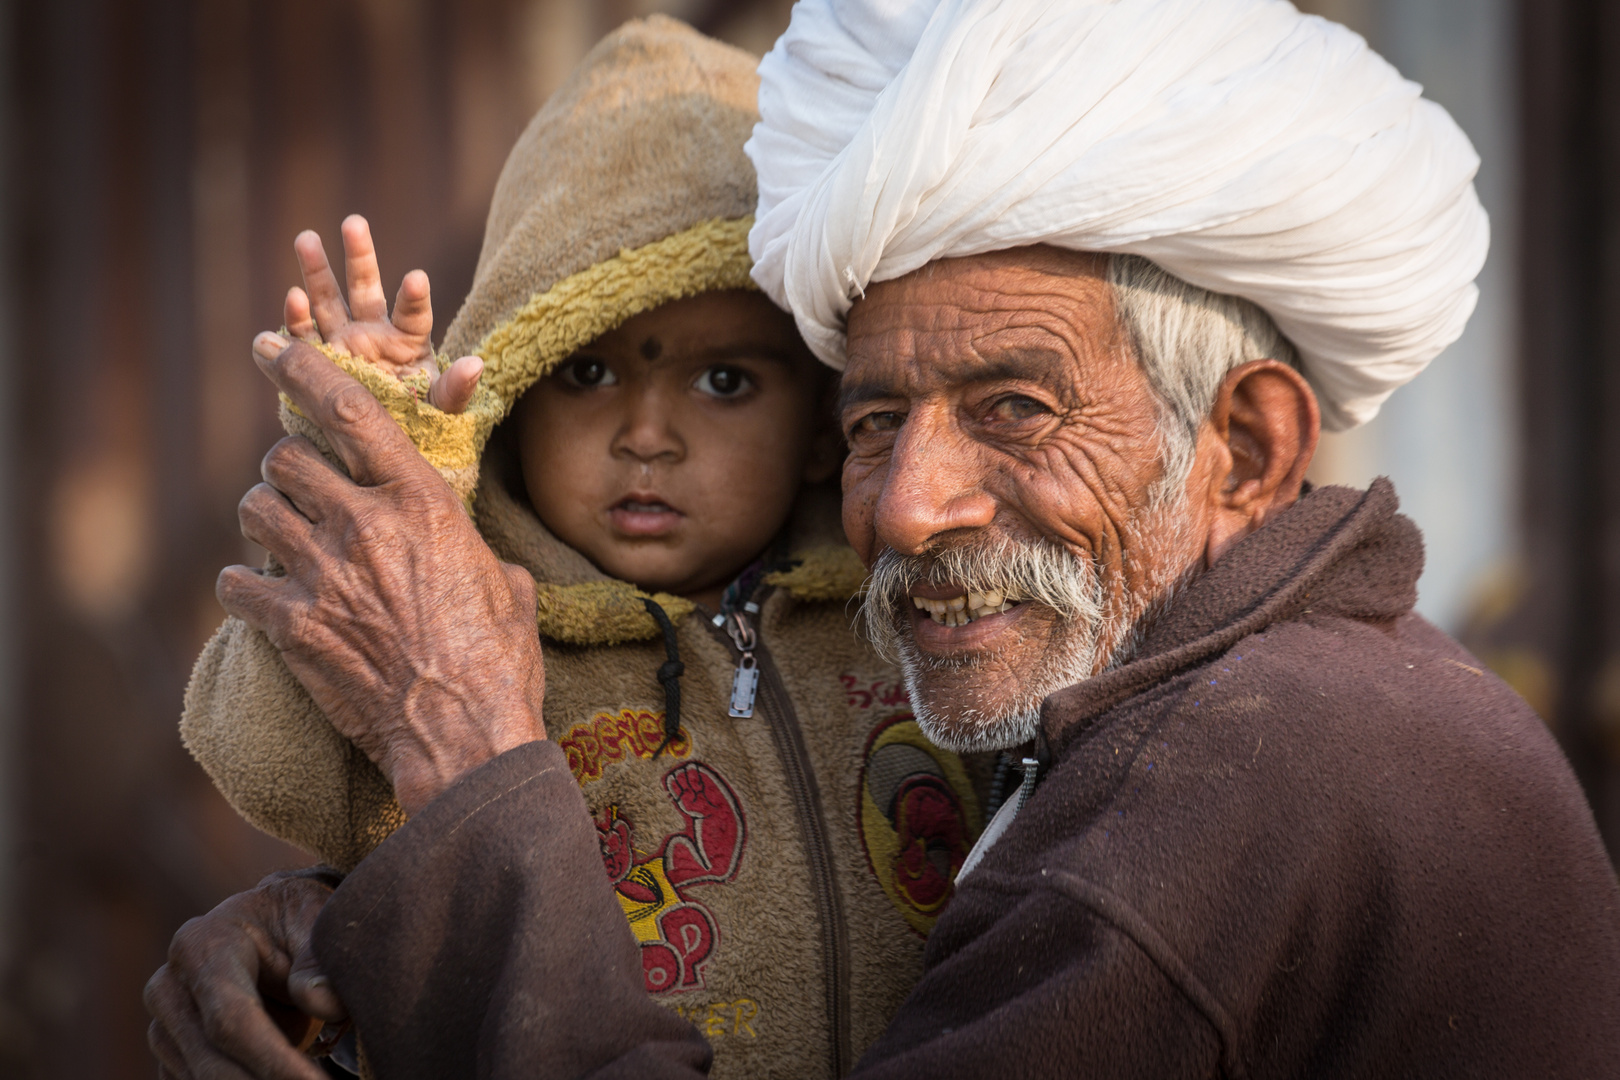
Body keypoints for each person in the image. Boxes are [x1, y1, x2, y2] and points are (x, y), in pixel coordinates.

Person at [156, 1, 1620, 1077]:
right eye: (872, 423)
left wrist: (468, 754)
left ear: (1246, 445)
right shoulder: (1271, 693)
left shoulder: (1221, 790)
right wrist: (354, 927)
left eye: (1014, 408)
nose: (908, 509)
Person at [154, 17, 991, 1080]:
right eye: (587, 375)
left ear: (825, 424)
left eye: (725, 381)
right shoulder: (463, 629)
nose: (647, 435)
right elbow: (267, 755)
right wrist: (379, 472)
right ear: (510, 392)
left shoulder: (904, 620)